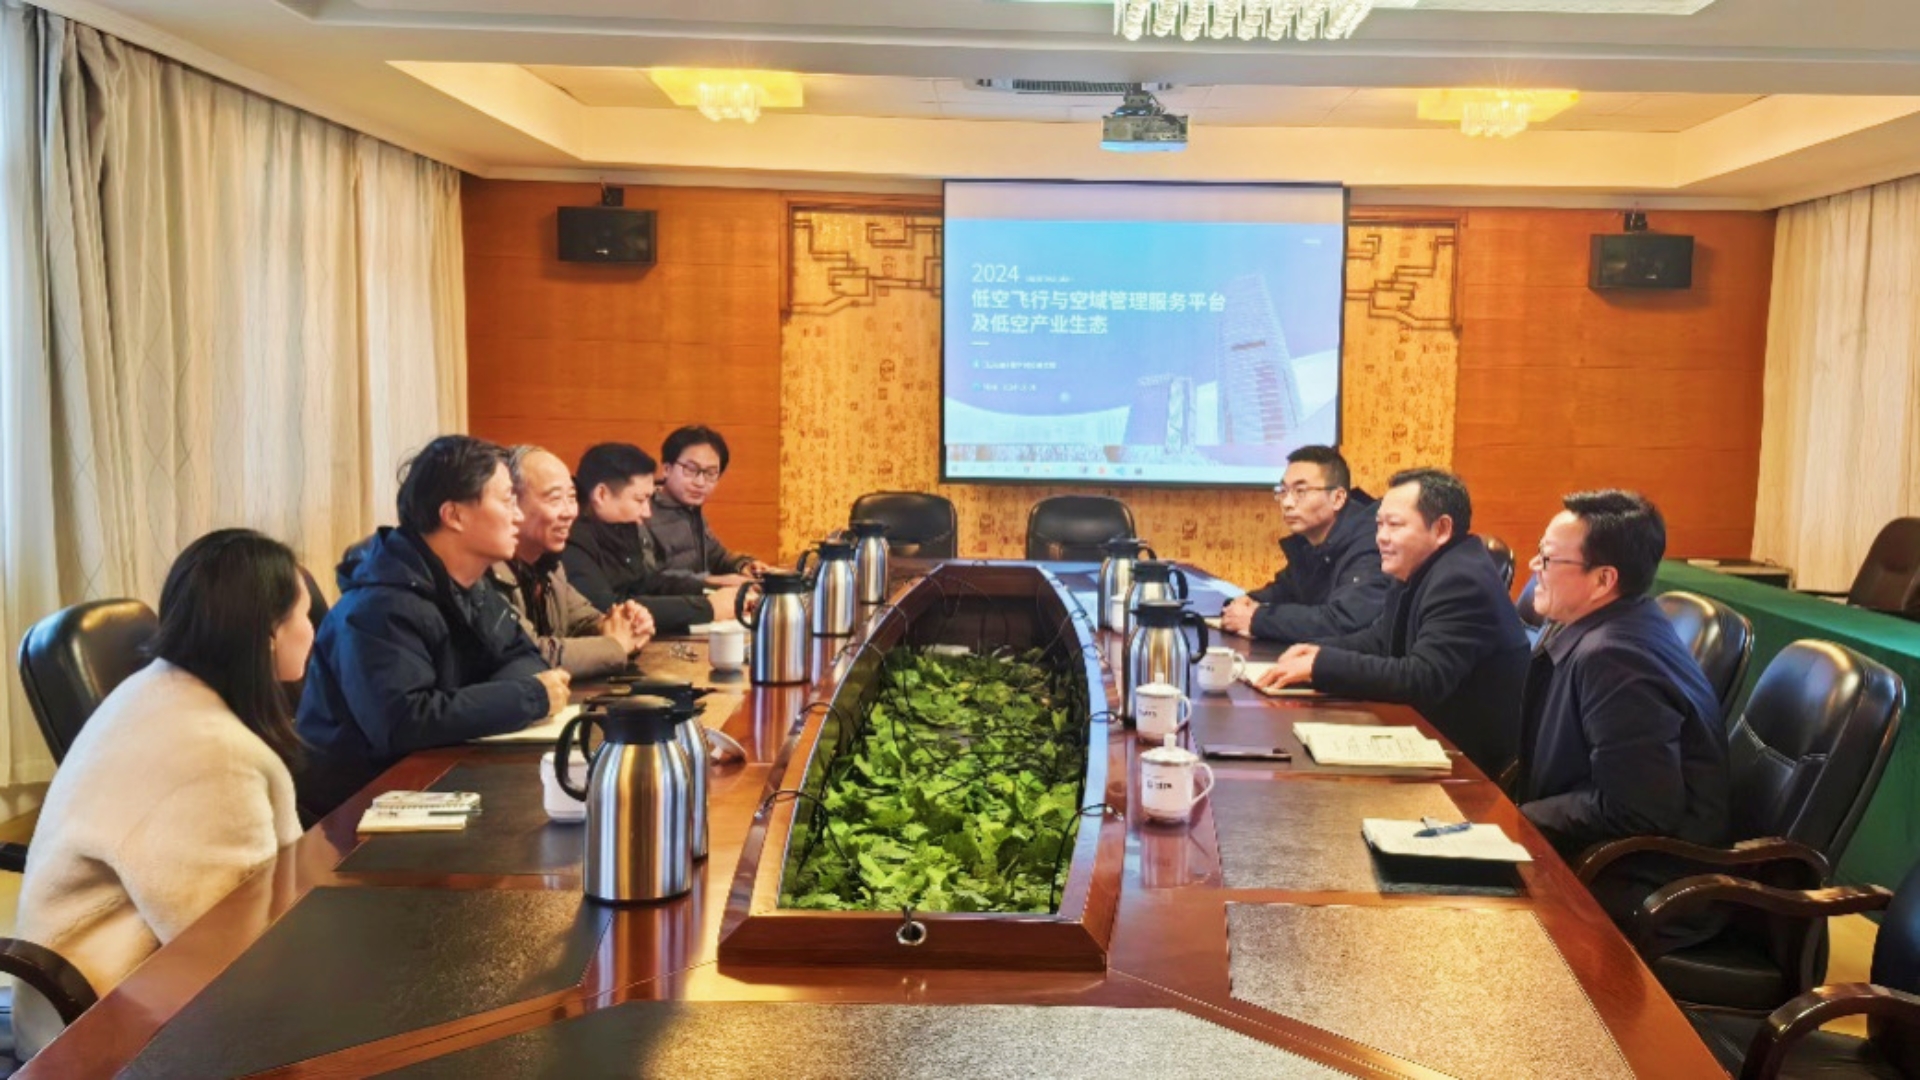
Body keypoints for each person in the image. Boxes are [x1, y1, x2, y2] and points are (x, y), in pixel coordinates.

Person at [13, 530, 314, 1058]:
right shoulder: (207, 752)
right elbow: (232, 951)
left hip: (119, 987)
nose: (313, 630)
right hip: (105, 1022)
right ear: (269, 632)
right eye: (305, 615)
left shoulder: (162, 692)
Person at [297, 436, 569, 817]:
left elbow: (524, 657)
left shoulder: (473, 585)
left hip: (442, 784)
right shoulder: (380, 605)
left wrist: (476, 704)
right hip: (361, 813)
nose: (518, 516)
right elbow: (404, 722)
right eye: (507, 501)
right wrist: (526, 698)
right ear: (454, 515)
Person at [1517, 490, 1728, 945]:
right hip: (1599, 854)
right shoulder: (1607, 625)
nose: (1535, 567)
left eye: (1548, 558)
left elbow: (1636, 807)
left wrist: (1521, 820)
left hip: (1639, 881)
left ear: (1602, 580)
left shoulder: (1615, 657)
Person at [1256, 467, 1530, 778]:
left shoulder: (1462, 580)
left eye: (1395, 525)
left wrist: (1321, 666)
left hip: (1469, 769)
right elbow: (1380, 638)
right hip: (1427, 737)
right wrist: (1316, 651)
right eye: (1379, 524)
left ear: (1441, 529)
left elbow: (1422, 678)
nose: (1381, 538)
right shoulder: (1421, 565)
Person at [489, 445, 654, 680]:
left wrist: (626, 624)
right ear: (512, 503)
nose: (569, 513)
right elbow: (529, 654)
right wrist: (616, 645)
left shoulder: (549, 565)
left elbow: (585, 620)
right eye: (555, 499)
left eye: (572, 498)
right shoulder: (486, 569)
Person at [563, 442, 740, 634]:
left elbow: (644, 584)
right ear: (602, 494)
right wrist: (708, 608)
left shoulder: (622, 525)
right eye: (640, 500)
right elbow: (607, 609)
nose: (647, 512)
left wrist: (708, 588)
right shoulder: (570, 539)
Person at [1220, 445, 1390, 644]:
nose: (1287, 503)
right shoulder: (1310, 542)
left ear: (1337, 498)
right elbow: (1287, 591)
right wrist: (1249, 601)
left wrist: (1257, 619)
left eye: (1300, 491)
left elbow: (1344, 621)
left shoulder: (1372, 544)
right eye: (1283, 491)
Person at [648, 424, 770, 588]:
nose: (700, 482)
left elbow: (716, 556)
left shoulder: (691, 511)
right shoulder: (641, 511)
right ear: (666, 469)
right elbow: (648, 579)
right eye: (691, 469)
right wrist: (710, 582)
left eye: (710, 473)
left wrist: (744, 565)